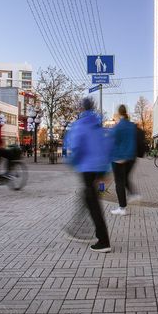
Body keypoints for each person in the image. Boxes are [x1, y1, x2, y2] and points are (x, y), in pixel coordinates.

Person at [67, 98, 113, 252]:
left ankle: (103, 241)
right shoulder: (98, 126)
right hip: (98, 169)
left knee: (92, 203)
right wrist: (105, 170)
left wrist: (73, 162)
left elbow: (76, 146)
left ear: (82, 108)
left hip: (86, 168)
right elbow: (106, 148)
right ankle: (77, 228)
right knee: (88, 197)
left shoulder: (80, 125)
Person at [110, 104, 138, 216]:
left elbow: (113, 142)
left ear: (119, 113)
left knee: (119, 183)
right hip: (131, 157)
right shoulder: (132, 126)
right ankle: (133, 194)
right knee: (125, 178)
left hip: (118, 158)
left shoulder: (118, 127)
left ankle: (122, 208)